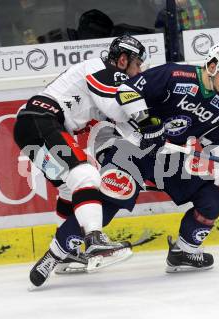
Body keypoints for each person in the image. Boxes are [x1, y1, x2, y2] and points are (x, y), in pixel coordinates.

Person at [93, 41, 219, 273]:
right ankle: (75, 247)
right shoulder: (175, 74)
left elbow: (213, 141)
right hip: (136, 148)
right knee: (110, 201)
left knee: (211, 200)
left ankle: (184, 251)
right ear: (213, 65)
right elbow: (127, 90)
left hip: (168, 159)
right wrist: (147, 124)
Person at [13, 35, 147, 288]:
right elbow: (116, 110)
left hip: (31, 129)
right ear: (122, 59)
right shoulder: (101, 69)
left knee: (69, 187)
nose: (138, 71)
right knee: (87, 175)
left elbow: (117, 118)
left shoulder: (101, 76)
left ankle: (66, 254)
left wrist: (142, 130)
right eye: (136, 64)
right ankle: (95, 241)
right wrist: (145, 119)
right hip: (41, 122)